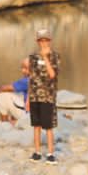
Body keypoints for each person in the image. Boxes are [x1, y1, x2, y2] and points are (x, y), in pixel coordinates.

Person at [27, 26, 62, 163]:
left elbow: (52, 74)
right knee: (36, 125)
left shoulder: (55, 56)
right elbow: (31, 77)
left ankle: (50, 154)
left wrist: (45, 57)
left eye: (46, 40)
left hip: (48, 96)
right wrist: (28, 99)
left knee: (48, 126)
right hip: (34, 95)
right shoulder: (32, 57)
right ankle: (37, 152)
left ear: (50, 40)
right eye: (41, 40)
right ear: (38, 42)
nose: (43, 43)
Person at [0, 58, 30, 124]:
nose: (23, 70)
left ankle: (4, 124)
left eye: (26, 68)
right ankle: (13, 119)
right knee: (18, 93)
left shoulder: (27, 80)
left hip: (30, 117)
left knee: (3, 95)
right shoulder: (41, 77)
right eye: (22, 67)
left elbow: (5, 88)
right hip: (38, 114)